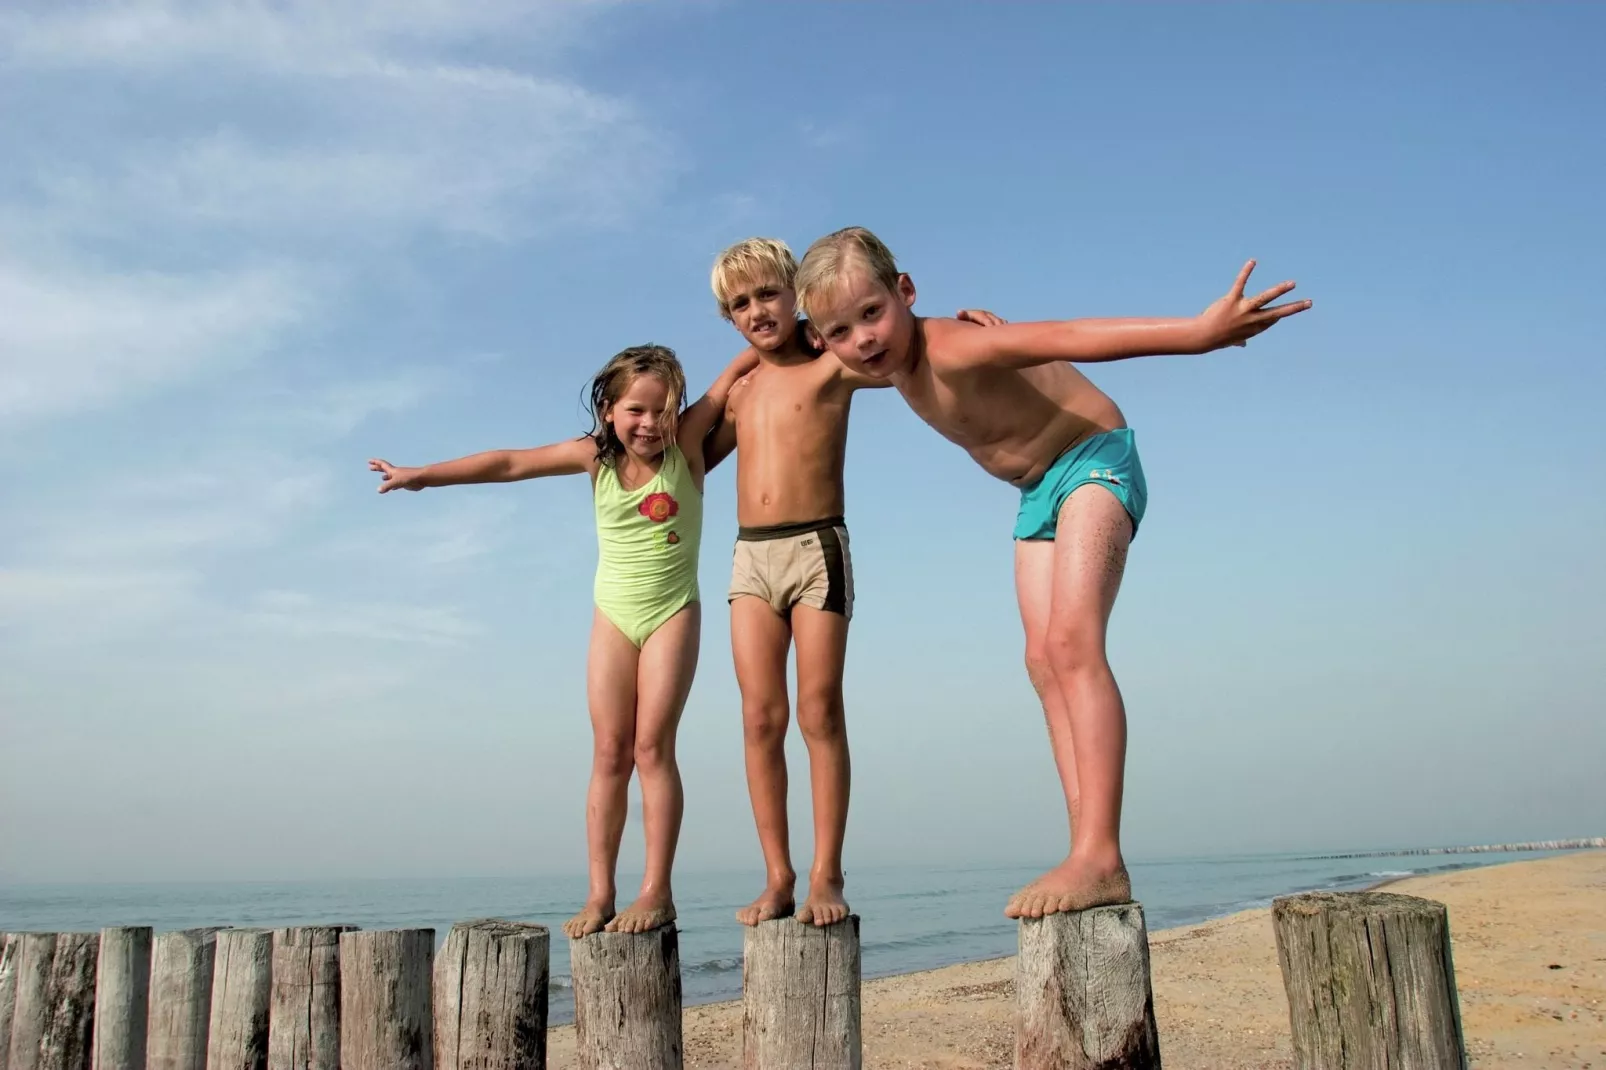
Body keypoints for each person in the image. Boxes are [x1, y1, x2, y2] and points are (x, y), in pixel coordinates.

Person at [793, 226, 1312, 918]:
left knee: (1073, 643)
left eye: (872, 313)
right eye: (839, 330)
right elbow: (790, 356)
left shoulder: (955, 344)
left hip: (1093, 459)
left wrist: (1198, 331)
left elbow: (1070, 334)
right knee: (1041, 660)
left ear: (906, 292)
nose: (861, 338)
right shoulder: (875, 362)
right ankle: (1083, 849)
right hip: (1037, 494)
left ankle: (1101, 853)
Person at [368, 343, 757, 937]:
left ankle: (657, 891)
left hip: (672, 612)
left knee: (652, 748)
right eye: (635, 410)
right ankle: (600, 892)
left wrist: (797, 328)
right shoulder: (593, 459)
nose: (649, 423)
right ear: (607, 409)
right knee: (608, 751)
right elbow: (507, 463)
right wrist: (424, 476)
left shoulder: (687, 445)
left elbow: (737, 371)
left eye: (662, 410)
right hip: (612, 615)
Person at [701, 237, 1004, 927]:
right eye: (739, 305)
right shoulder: (743, 390)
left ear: (798, 296)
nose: (757, 311)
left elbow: (907, 352)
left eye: (768, 295)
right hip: (751, 557)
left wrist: (973, 326)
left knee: (817, 710)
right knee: (758, 717)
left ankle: (824, 873)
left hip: (816, 549)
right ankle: (776, 874)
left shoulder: (833, 368)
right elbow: (690, 456)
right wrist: (727, 373)